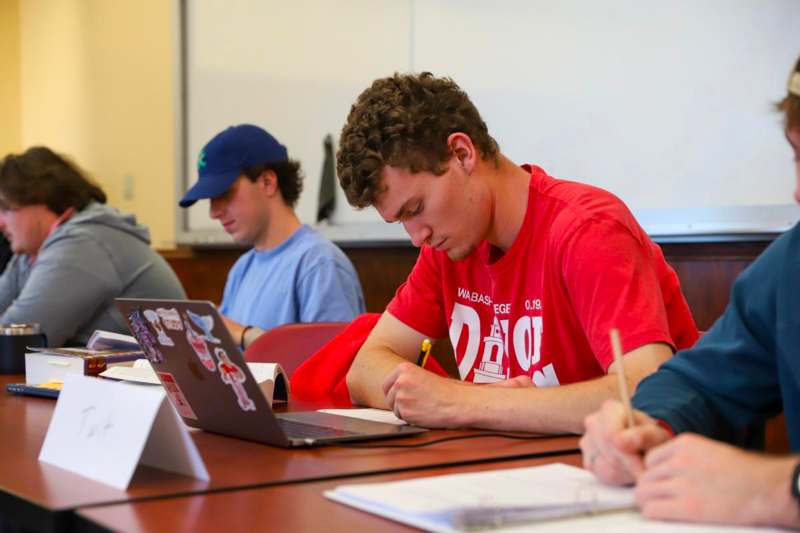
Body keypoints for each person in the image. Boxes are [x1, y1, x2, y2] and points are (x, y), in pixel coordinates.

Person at [335, 72, 699, 433]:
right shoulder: (447, 248)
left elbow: (643, 392)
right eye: (400, 220)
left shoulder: (588, 229)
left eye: (415, 209)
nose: (417, 237)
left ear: (462, 154)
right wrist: (460, 400)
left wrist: (459, 402)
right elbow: (364, 369)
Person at [580, 56, 800, 529]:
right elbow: (702, 382)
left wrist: (777, 488)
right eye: (798, 156)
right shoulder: (791, 266)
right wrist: (648, 425)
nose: (798, 191)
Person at [179, 124, 365, 350]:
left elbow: (334, 364)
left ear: (268, 182)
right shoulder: (241, 269)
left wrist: (243, 334)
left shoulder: (320, 264)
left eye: (223, 193)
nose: (213, 212)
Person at [0, 147, 186, 347]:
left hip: (159, 367)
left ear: (41, 200)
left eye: (5, 208)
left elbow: (17, 342)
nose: (1, 223)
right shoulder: (30, 252)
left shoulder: (83, 243)